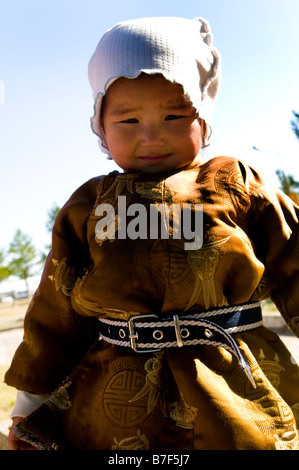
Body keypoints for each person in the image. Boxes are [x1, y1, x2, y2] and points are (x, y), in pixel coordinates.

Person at [5, 16, 299, 451]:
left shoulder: (235, 183)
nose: (152, 135)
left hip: (236, 388)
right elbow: (55, 313)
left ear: (202, 115)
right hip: (118, 401)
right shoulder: (89, 207)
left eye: (173, 115)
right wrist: (28, 402)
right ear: (101, 127)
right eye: (128, 120)